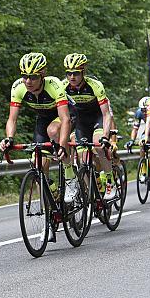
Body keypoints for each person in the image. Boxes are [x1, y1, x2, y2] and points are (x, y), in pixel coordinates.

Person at [0, 52, 71, 200]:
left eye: (33, 77)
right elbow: (12, 119)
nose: (28, 81)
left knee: (53, 130)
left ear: (42, 75)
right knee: (37, 163)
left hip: (63, 116)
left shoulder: (54, 85)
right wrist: (9, 138)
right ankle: (50, 200)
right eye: (25, 76)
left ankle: (71, 178)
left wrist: (63, 145)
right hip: (43, 119)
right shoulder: (18, 87)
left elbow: (65, 119)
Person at [61, 53, 115, 200]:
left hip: (97, 118)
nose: (72, 77)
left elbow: (106, 114)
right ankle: (91, 195)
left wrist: (105, 136)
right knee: (83, 159)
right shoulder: (63, 87)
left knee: (98, 146)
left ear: (83, 72)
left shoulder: (95, 86)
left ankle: (110, 181)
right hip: (81, 122)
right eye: (69, 73)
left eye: (76, 73)